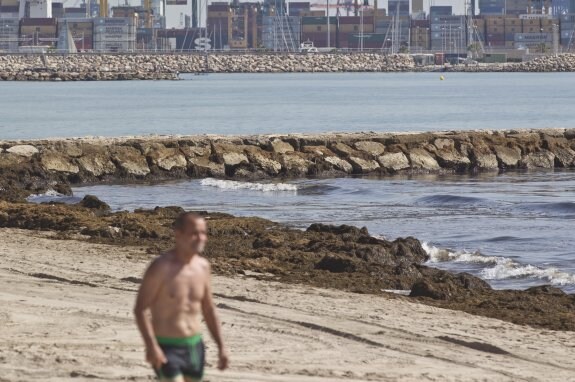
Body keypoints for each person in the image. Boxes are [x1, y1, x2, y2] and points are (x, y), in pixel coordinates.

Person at [134, 212, 229, 382]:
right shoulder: (161, 267)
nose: (200, 238)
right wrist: (151, 346)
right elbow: (140, 309)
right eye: (194, 233)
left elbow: (208, 309)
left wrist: (222, 346)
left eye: (203, 233)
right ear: (178, 234)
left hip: (195, 346)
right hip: (167, 346)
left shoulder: (203, 267)